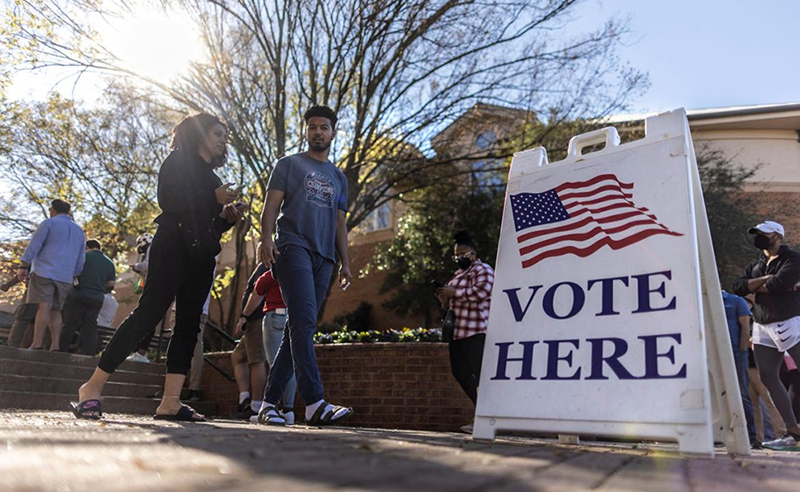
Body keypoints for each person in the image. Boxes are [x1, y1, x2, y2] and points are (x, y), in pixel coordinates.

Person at [71, 113, 246, 421]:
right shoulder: (177, 161)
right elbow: (169, 200)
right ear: (201, 133)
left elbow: (207, 225)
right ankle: (92, 388)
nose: (223, 140)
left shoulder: (214, 179)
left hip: (201, 256)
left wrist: (225, 218)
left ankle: (170, 402)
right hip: (171, 247)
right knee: (148, 314)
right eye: (218, 133)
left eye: (224, 136)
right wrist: (212, 198)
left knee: (189, 324)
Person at [257, 105, 353, 426]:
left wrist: (346, 263)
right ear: (306, 131)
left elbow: (340, 224)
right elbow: (271, 205)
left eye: (323, 127)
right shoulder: (288, 164)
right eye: (312, 127)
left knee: (297, 326)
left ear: (332, 132)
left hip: (325, 257)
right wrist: (265, 238)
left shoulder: (339, 177)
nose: (317, 132)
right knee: (304, 324)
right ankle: (314, 402)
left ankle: (269, 404)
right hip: (292, 246)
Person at [733, 220, 800, 448]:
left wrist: (755, 286)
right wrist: (763, 280)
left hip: (790, 322)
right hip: (762, 325)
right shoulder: (757, 264)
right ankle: (793, 431)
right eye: (757, 233)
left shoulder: (793, 259)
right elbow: (738, 287)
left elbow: (780, 283)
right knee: (768, 376)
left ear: (778, 237)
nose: (760, 237)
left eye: (765, 233)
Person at [436, 231, 494, 434]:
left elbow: (483, 292)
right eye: (456, 254)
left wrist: (455, 293)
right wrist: (444, 298)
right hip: (457, 332)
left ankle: (485, 418)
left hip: (476, 330)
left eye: (463, 253)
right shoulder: (458, 274)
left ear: (473, 252)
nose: (459, 257)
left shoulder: (483, 269)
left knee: (480, 376)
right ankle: (484, 412)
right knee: (459, 373)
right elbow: (453, 301)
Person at [17, 199, 86, 351]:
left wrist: (24, 265)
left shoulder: (49, 223)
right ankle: (55, 345)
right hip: (66, 275)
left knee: (44, 307)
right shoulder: (79, 231)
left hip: (44, 271)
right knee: (56, 310)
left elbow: (35, 244)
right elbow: (81, 257)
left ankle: (37, 343)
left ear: (53, 210)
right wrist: (74, 273)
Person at [242, 265, 295, 423]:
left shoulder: (272, 272)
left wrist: (244, 315)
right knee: (289, 364)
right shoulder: (301, 270)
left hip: (275, 316)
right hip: (293, 316)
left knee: (275, 363)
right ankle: (288, 410)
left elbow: (257, 293)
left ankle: (273, 409)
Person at [59, 240, 116, 355]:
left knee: (70, 324)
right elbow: (111, 283)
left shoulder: (82, 257)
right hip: (96, 298)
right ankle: (89, 354)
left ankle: (61, 351)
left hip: (78, 295)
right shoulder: (109, 263)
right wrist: (99, 285)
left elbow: (72, 273)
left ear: (87, 247)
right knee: (90, 327)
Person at [229, 262, 269, 419]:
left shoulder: (268, 264)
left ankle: (255, 407)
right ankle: (244, 399)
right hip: (254, 320)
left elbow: (257, 293)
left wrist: (244, 317)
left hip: (258, 318)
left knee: (256, 361)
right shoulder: (262, 265)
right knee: (238, 356)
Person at [721, 288, 760, 448]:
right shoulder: (703, 302)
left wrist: (742, 350)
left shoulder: (736, 301)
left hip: (736, 352)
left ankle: (752, 436)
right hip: (714, 352)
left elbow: (745, 326)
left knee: (742, 393)